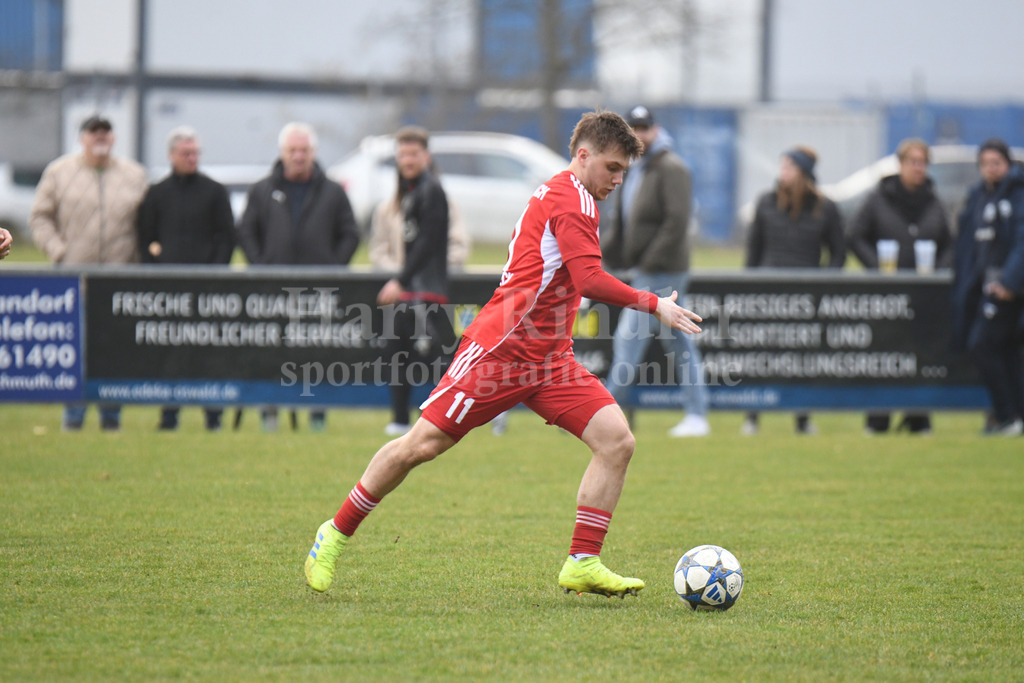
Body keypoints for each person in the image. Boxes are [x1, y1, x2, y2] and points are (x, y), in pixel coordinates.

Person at [303, 110, 703, 598]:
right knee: (419, 447)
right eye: (613, 168)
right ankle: (335, 533)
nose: (619, 179)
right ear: (583, 156)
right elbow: (590, 281)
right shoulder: (571, 200)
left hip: (549, 359)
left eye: (624, 171)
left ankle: (582, 560)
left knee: (617, 441)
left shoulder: (576, 194)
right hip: (501, 350)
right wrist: (653, 303)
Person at [237, 121, 360, 431]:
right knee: (271, 352)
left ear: (313, 152)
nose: (298, 156)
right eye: (293, 150)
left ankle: (317, 412)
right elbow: (246, 231)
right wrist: (260, 264)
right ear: (283, 152)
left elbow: (350, 233)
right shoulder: (263, 190)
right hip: (273, 292)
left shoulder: (332, 191)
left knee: (316, 354)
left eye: (304, 150)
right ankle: (271, 412)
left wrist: (333, 266)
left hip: (318, 292)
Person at [30, 114, 148, 431]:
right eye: (94, 133)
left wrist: (138, 262)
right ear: (82, 138)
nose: (101, 139)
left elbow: (146, 222)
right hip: (75, 279)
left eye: (106, 133)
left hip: (119, 280)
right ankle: (74, 417)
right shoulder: (59, 172)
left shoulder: (134, 175)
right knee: (77, 352)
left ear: (113, 138)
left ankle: (111, 417)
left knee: (114, 353)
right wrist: (59, 251)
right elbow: (40, 217)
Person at [601, 105, 709, 437]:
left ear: (655, 129)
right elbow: (625, 220)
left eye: (644, 128)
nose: (640, 135)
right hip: (645, 269)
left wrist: (647, 260)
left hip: (663, 271)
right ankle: (697, 414)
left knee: (629, 339)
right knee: (677, 342)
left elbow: (677, 222)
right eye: (634, 129)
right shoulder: (637, 168)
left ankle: (600, 414)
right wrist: (604, 255)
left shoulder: (672, 168)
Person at [848, 138, 953, 435]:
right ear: (901, 164)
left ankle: (918, 417)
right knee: (885, 355)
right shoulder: (879, 198)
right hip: (886, 294)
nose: (918, 168)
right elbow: (855, 236)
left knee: (920, 357)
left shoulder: (934, 201)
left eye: (923, 163)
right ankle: (878, 418)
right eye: (913, 162)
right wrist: (878, 269)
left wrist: (937, 271)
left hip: (923, 294)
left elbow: (950, 243)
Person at [137, 126, 236, 431]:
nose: (192, 158)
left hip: (207, 290)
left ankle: (213, 417)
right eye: (186, 153)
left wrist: (213, 273)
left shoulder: (214, 191)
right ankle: (169, 415)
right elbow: (145, 237)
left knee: (209, 355)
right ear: (171, 156)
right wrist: (158, 271)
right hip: (169, 290)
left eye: (195, 153)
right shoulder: (157, 193)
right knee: (170, 356)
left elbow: (227, 237)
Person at [743, 146, 846, 435]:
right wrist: (747, 287)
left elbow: (839, 252)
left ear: (804, 173)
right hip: (767, 294)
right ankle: (753, 416)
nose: (783, 173)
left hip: (805, 297)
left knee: (803, 359)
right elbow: (753, 252)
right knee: (760, 357)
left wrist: (823, 282)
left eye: (789, 167)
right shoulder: (766, 202)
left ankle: (802, 418)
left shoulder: (825, 208)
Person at [373, 126, 456, 437]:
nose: (407, 160)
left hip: (428, 292)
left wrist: (400, 280)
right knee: (396, 354)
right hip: (411, 289)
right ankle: (399, 420)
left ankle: (483, 413)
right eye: (403, 154)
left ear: (426, 156)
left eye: (413, 154)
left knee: (442, 363)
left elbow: (428, 243)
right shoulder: (408, 192)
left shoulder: (431, 190)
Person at [951, 138, 1024, 436]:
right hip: (982, 286)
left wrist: (1011, 282)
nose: (991, 169)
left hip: (1006, 289)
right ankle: (1012, 416)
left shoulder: (1017, 195)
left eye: (997, 163)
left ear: (1008, 164)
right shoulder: (978, 196)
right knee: (1006, 352)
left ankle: (1007, 416)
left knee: (982, 345)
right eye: (985, 164)